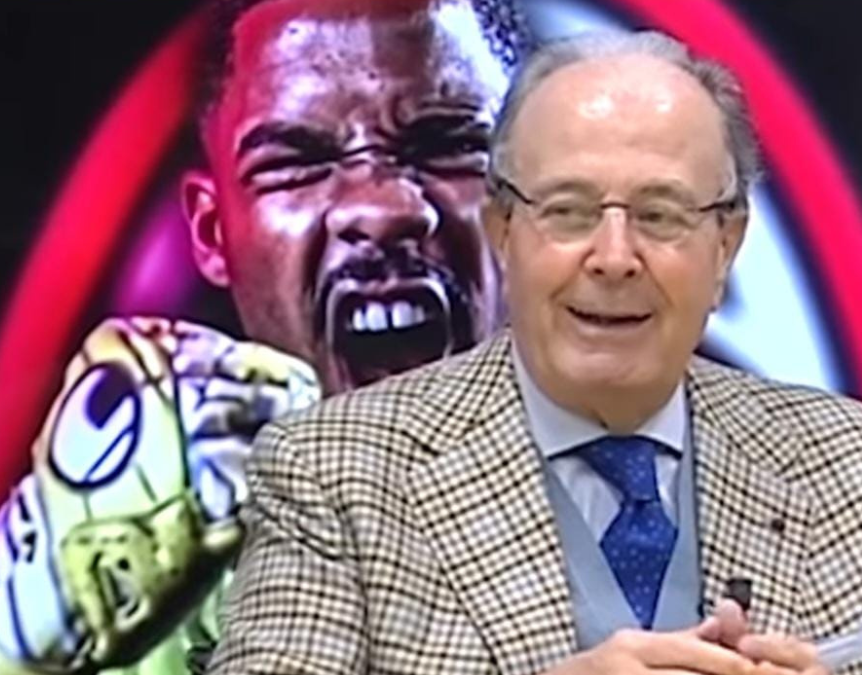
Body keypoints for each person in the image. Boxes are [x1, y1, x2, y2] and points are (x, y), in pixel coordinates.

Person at [209, 29, 862, 675]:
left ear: (726, 244)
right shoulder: (333, 471)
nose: (614, 258)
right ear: (504, 231)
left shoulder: (856, 465)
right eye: (570, 211)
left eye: (661, 214)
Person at [0, 0, 530, 673]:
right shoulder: (140, 566)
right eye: (298, 164)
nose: (381, 208)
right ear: (211, 232)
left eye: (446, 146)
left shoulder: (645, 527)